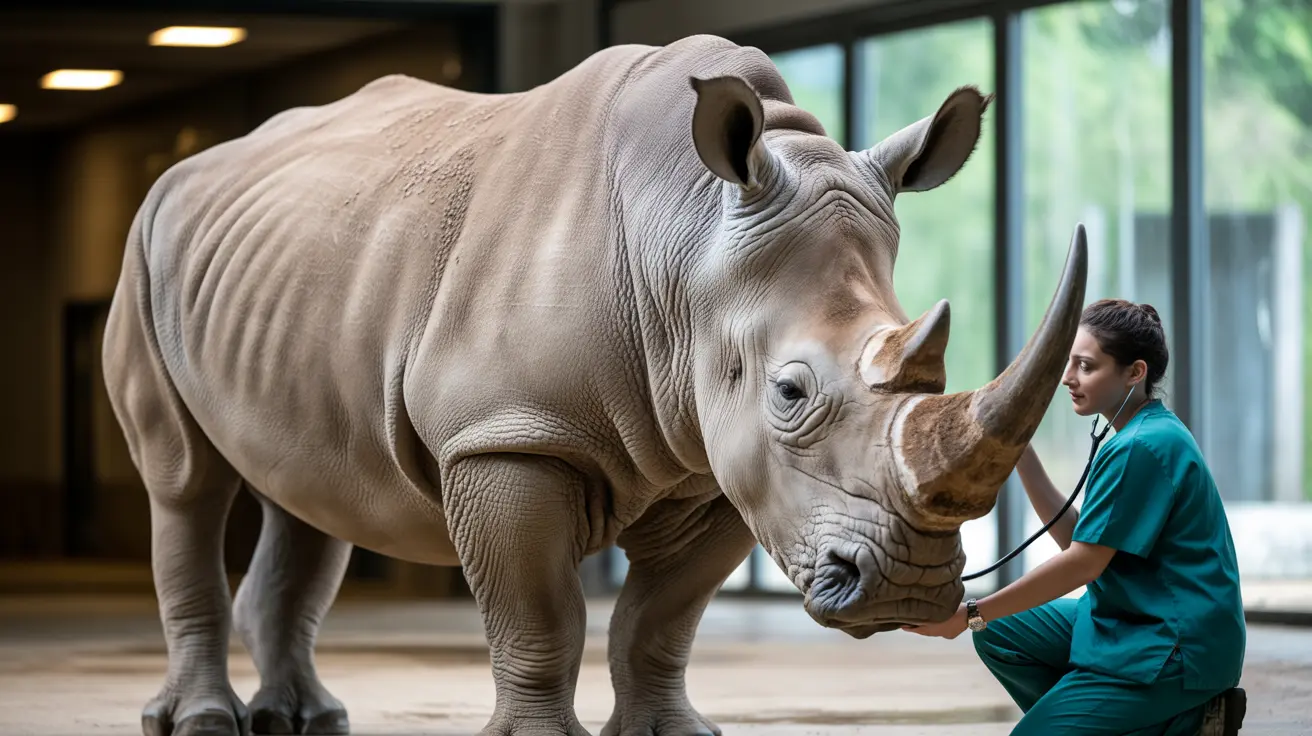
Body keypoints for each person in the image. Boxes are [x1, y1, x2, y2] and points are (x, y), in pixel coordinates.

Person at [902, 298, 1247, 736]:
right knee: (998, 633)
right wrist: (1019, 452)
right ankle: (1113, 718)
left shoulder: (1141, 447)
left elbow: (1082, 563)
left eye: (1086, 366)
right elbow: (1079, 540)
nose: (1068, 378)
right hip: (1135, 616)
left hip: (1174, 644)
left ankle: (1188, 720)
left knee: (992, 642)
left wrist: (970, 612)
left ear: (1134, 373)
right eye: (1070, 362)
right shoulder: (1141, 432)